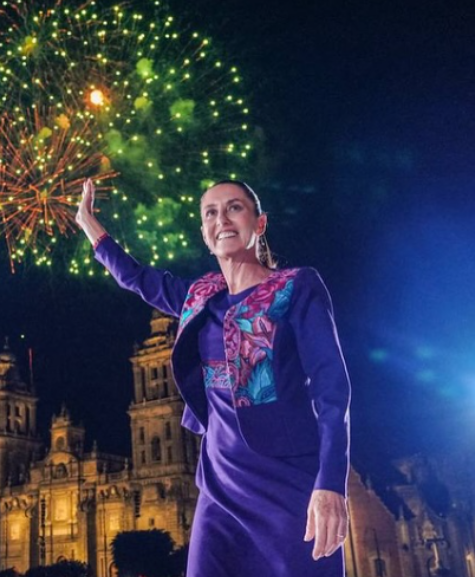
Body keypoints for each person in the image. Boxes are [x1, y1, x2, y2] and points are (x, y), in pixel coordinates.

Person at [76, 178, 350, 577]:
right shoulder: (198, 297)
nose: (221, 218)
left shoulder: (295, 286)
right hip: (219, 487)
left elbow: (332, 388)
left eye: (234, 207)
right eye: (210, 212)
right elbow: (135, 277)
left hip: (287, 483)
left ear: (259, 223)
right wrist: (89, 224)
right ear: (205, 235)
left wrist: (331, 482)